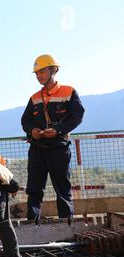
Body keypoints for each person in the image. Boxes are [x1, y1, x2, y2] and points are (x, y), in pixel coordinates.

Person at [21, 54, 85, 224]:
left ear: (53, 70)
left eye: (41, 71)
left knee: (62, 190)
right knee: (34, 190)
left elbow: (77, 116)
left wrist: (58, 131)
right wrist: (32, 131)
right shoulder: (34, 98)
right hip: (37, 149)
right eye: (36, 73)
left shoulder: (68, 92)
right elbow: (25, 120)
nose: (38, 76)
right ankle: (31, 226)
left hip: (59, 148)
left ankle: (67, 225)